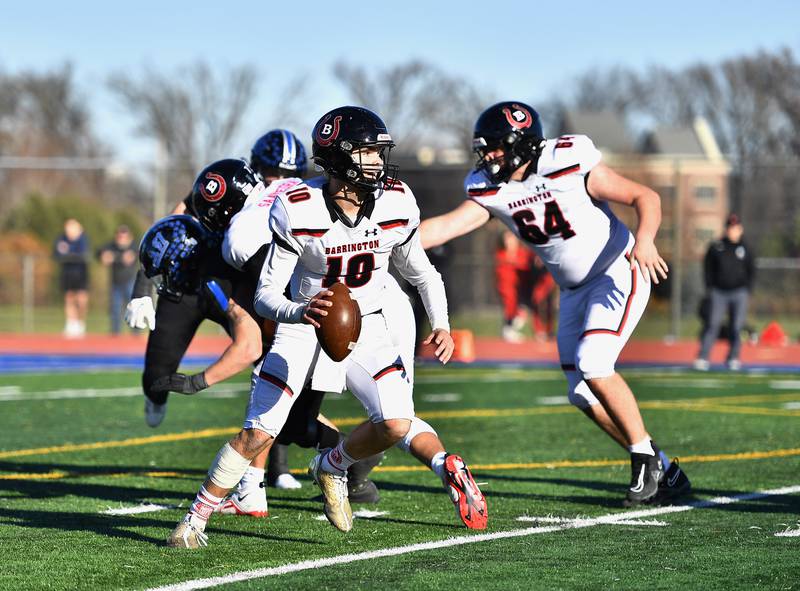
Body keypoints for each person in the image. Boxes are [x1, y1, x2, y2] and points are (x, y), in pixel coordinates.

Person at [166, 106, 487, 549]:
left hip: (368, 322)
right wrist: (301, 313)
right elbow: (265, 295)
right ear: (337, 158)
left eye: (379, 152)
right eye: (367, 152)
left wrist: (443, 325)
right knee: (259, 430)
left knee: (395, 423)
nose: (377, 161)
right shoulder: (297, 207)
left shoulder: (395, 200)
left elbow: (424, 274)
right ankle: (195, 517)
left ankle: (332, 465)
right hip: (303, 323)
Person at [419, 101, 690, 507]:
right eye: (485, 149)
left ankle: (643, 459)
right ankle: (662, 466)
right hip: (574, 290)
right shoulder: (490, 188)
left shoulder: (568, 162)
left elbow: (643, 195)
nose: (488, 157)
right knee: (582, 392)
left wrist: (647, 238)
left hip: (617, 271)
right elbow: (444, 227)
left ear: (522, 143)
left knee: (595, 361)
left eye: (495, 147)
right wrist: (384, 243)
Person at [125, 135, 309, 491]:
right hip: (189, 283)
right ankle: (156, 394)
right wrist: (142, 286)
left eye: (285, 174)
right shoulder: (226, 187)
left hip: (233, 289)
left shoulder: (287, 200)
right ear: (254, 171)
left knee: (271, 363)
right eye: (270, 172)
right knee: (157, 375)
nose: (276, 180)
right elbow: (167, 231)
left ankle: (276, 466)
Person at [694, 213, 756, 371]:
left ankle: (733, 357)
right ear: (726, 229)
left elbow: (751, 270)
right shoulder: (716, 246)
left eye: (735, 228)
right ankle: (703, 356)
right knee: (712, 324)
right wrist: (710, 287)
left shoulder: (746, 248)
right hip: (718, 292)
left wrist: (748, 289)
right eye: (730, 228)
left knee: (736, 326)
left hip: (739, 292)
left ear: (740, 229)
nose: (732, 231)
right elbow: (708, 268)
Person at [97, 225, 138, 335]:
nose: (121, 239)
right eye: (119, 237)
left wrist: (114, 258)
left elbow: (130, 258)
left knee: (133, 309)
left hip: (130, 282)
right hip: (115, 283)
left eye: (124, 237)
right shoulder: (111, 246)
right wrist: (103, 255)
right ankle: (115, 334)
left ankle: (136, 333)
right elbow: (99, 252)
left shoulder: (134, 246)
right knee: (115, 309)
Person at [53, 218, 90, 338]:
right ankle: (71, 324)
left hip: (80, 273)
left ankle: (80, 324)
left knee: (81, 299)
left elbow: (82, 254)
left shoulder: (83, 239)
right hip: (67, 272)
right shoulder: (61, 238)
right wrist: (68, 253)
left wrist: (68, 252)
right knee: (69, 297)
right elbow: (57, 253)